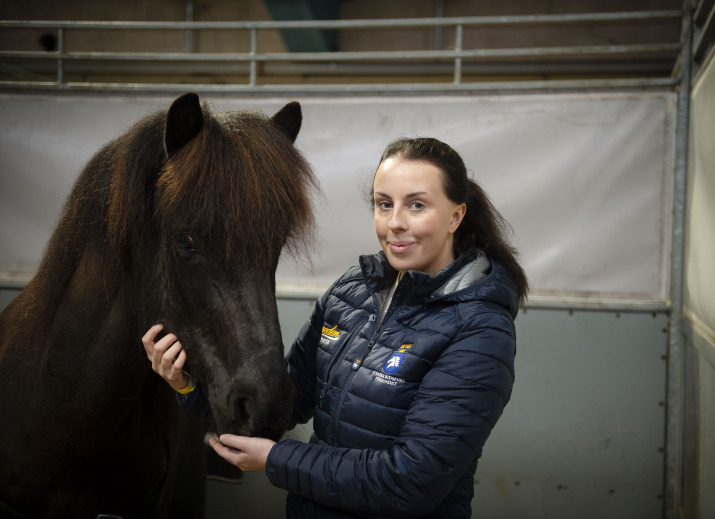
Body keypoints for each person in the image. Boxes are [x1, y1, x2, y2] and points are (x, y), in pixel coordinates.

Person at [144, 137, 528, 518]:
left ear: (455, 217)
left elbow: (410, 482)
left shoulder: (479, 329)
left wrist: (278, 459)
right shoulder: (351, 292)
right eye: (384, 204)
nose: (395, 223)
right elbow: (277, 409)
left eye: (417, 205)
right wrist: (187, 385)